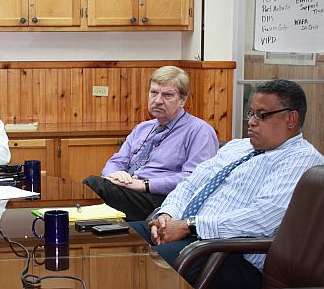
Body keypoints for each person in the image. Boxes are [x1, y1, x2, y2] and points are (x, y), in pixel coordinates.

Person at [129, 79, 324, 288]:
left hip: (227, 253)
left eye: (262, 115)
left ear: (291, 119)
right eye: (251, 113)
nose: (251, 121)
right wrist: (166, 216)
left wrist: (189, 226)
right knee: (111, 240)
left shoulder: (302, 160)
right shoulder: (237, 147)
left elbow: (262, 218)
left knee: (141, 264)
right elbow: (190, 184)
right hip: (185, 234)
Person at [83, 66, 218, 221]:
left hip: (164, 201)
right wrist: (115, 175)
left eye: (167, 95)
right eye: (154, 93)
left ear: (183, 100)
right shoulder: (143, 128)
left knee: (91, 185)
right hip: (129, 190)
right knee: (88, 194)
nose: (158, 100)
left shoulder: (199, 130)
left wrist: (146, 184)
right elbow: (116, 161)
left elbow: (196, 179)